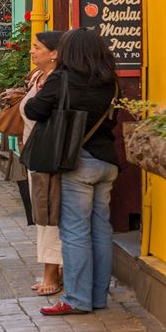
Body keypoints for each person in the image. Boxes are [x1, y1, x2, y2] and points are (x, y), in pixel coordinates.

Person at [23, 29, 120, 316]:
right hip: (107, 161)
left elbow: (33, 111)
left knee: (76, 232)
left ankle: (78, 299)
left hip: (76, 162)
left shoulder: (62, 79)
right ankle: (98, 296)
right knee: (101, 230)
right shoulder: (110, 81)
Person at [20, 31, 64, 297]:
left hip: (47, 155)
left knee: (49, 215)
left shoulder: (56, 81)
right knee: (42, 215)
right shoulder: (38, 77)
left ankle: (51, 273)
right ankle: (54, 270)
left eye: (37, 47)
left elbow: (38, 112)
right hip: (34, 154)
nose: (32, 52)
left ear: (55, 53)